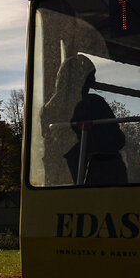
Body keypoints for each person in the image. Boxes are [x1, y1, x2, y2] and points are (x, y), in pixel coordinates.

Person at [41, 54, 127, 185]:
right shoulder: (94, 103)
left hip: (60, 175)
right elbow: (117, 140)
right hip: (99, 174)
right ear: (81, 79)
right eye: (90, 78)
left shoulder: (47, 109)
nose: (92, 82)